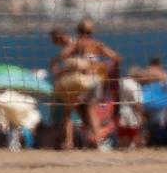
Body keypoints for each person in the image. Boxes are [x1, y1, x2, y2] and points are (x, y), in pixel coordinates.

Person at [52, 19, 122, 149]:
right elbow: (116, 57)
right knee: (91, 110)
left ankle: (69, 142)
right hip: (97, 80)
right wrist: (103, 67)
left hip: (82, 80)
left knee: (68, 112)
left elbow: (62, 55)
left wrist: (55, 65)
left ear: (78, 31)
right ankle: (98, 141)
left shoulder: (77, 43)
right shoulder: (98, 44)